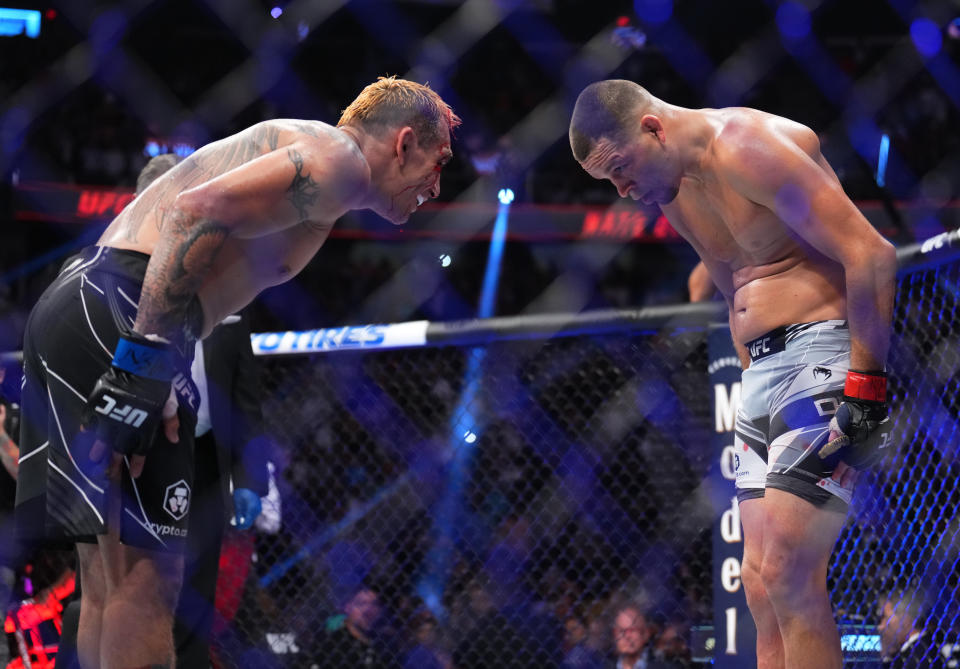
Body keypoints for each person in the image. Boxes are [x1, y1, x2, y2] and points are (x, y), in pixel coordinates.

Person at [15, 76, 459, 668]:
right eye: (439, 161)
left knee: (107, 585)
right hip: (122, 311)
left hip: (83, 301)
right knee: (145, 587)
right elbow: (194, 210)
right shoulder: (343, 161)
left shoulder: (313, 154)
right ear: (404, 142)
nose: (438, 183)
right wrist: (144, 362)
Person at [570, 80, 896, 669]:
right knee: (757, 583)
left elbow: (870, 252)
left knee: (788, 572)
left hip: (819, 358)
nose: (622, 190)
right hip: (761, 375)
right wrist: (749, 376)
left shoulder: (746, 147)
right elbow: (731, 287)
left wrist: (866, 388)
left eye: (620, 170)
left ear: (652, 128)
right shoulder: (672, 188)